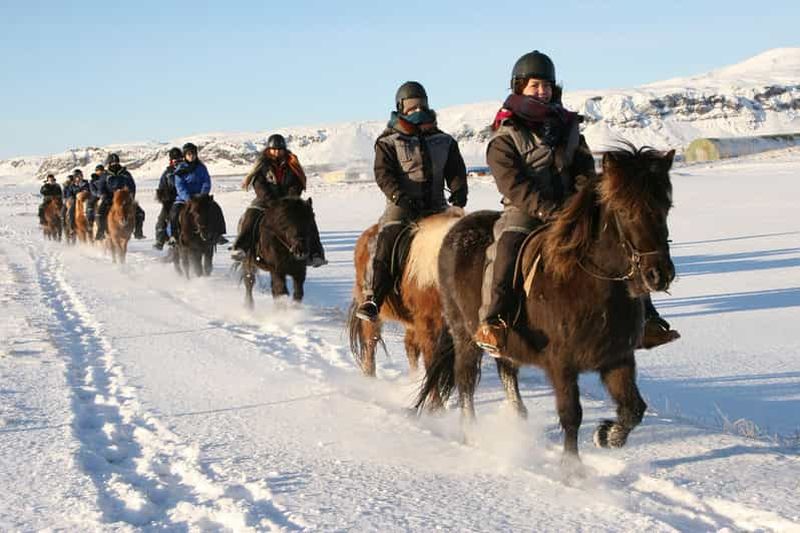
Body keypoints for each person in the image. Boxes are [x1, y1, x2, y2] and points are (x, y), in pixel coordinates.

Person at [473, 50, 678, 354]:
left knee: (621, 243)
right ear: (519, 88)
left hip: (572, 208)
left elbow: (583, 169)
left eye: (546, 86)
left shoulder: (568, 127)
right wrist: (546, 208)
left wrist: (580, 201)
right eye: (534, 86)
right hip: (525, 212)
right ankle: (495, 321)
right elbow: (513, 184)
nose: (541, 91)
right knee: (507, 249)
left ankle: (646, 319)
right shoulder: (505, 136)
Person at [355, 81, 468, 322]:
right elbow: (383, 174)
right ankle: (374, 296)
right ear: (400, 108)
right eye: (411, 106)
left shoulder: (444, 140)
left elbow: (456, 170)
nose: (417, 111)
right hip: (402, 208)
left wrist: (459, 195)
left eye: (421, 105)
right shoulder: (387, 142)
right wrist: (400, 197)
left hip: (437, 208)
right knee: (386, 241)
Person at [231, 134, 327, 266]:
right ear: (268, 150)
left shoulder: (292, 164)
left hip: (288, 201)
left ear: (284, 149)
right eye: (273, 149)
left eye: (279, 149)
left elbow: (296, 183)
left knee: (307, 216)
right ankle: (241, 246)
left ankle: (315, 253)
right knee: (251, 215)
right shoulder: (262, 164)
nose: (276, 152)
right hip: (265, 200)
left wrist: (289, 199)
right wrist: (271, 202)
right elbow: (259, 185)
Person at [169, 143, 228, 245]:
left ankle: (218, 234)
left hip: (201, 198)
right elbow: (180, 186)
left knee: (216, 208)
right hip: (184, 199)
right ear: (185, 156)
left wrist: (203, 194)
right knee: (174, 213)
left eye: (193, 154)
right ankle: (173, 236)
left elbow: (206, 181)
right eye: (189, 154)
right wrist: (188, 198)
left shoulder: (201, 168)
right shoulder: (180, 170)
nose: (191, 156)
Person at [95, 153, 146, 240]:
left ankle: (138, 232)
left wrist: (131, 196)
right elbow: (101, 187)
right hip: (110, 198)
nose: (115, 164)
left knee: (140, 212)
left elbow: (132, 185)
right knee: (100, 212)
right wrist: (103, 195)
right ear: (109, 164)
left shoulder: (125, 173)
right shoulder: (105, 175)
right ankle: (101, 231)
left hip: (124, 199)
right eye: (113, 163)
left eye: (116, 162)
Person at [153, 147, 181, 250]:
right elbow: (161, 187)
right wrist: (164, 197)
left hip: (186, 198)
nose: (177, 161)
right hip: (171, 201)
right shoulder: (167, 173)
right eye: (175, 159)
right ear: (171, 160)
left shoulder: (186, 170)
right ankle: (160, 240)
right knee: (161, 218)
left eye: (179, 159)